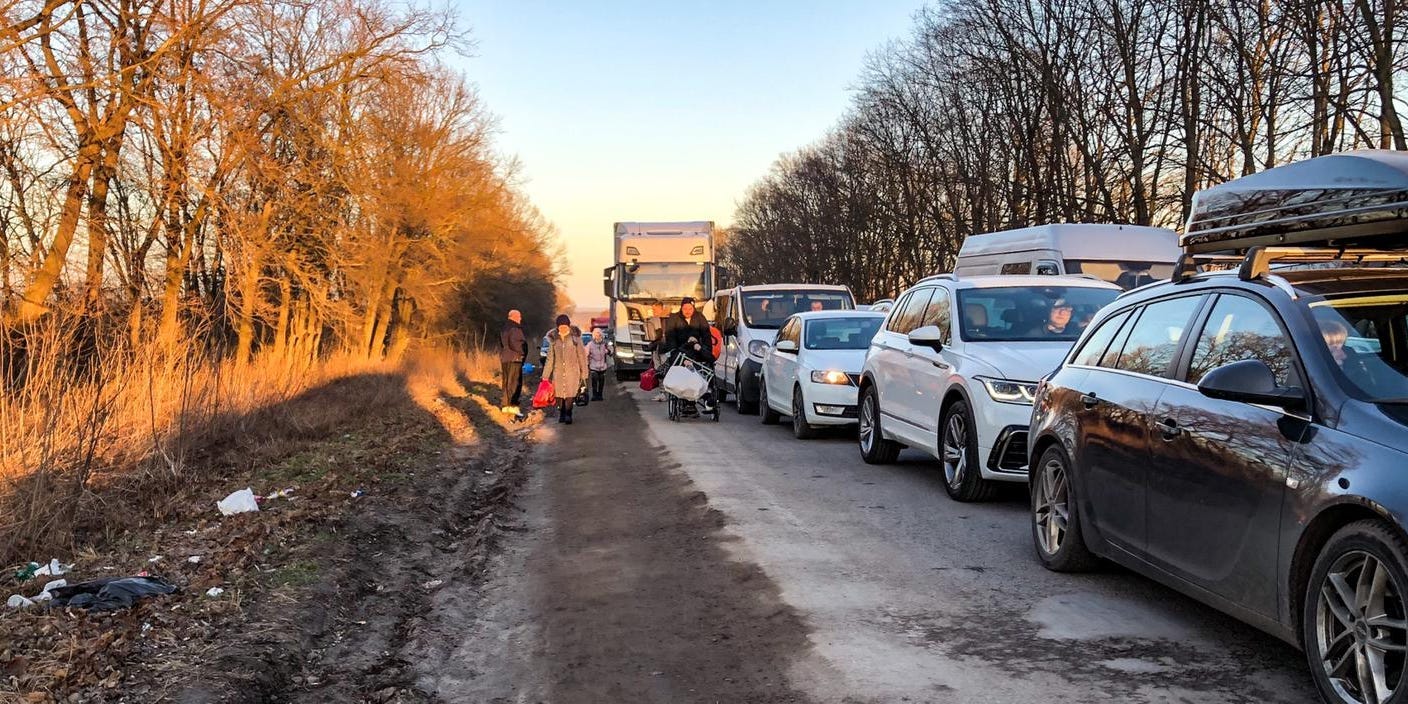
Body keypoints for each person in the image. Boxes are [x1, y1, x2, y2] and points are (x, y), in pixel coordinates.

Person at [665, 297, 716, 413]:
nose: (687, 311)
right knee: (685, 370)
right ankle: (688, 400)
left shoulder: (700, 318)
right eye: (685, 308)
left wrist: (703, 348)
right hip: (680, 353)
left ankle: (706, 395)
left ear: (694, 308)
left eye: (690, 308)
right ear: (681, 308)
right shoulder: (674, 319)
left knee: (704, 367)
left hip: (697, 352)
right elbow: (670, 339)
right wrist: (678, 355)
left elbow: (707, 336)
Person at [543, 314, 588, 424]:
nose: (563, 328)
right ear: (557, 327)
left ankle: (568, 413)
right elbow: (550, 359)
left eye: (565, 326)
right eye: (560, 326)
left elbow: (582, 356)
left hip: (572, 372)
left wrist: (584, 374)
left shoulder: (575, 339)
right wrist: (545, 376)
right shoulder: (554, 340)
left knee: (570, 394)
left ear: (568, 326)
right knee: (559, 395)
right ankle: (562, 412)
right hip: (558, 372)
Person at [498, 309, 528, 415]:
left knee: (506, 382)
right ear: (514, 317)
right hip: (515, 358)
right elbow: (516, 343)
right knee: (514, 383)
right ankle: (512, 406)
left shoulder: (504, 328)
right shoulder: (515, 328)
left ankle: (505, 405)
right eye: (519, 317)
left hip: (505, 358)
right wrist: (523, 352)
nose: (520, 319)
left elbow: (503, 344)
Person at [586, 328, 613, 401]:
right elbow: (586, 353)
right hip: (593, 366)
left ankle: (600, 395)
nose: (598, 336)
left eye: (599, 335)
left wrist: (607, 351)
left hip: (603, 366)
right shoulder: (590, 344)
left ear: (601, 335)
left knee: (601, 381)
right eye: (596, 335)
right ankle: (594, 395)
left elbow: (611, 352)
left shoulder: (605, 344)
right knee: (594, 380)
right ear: (594, 336)